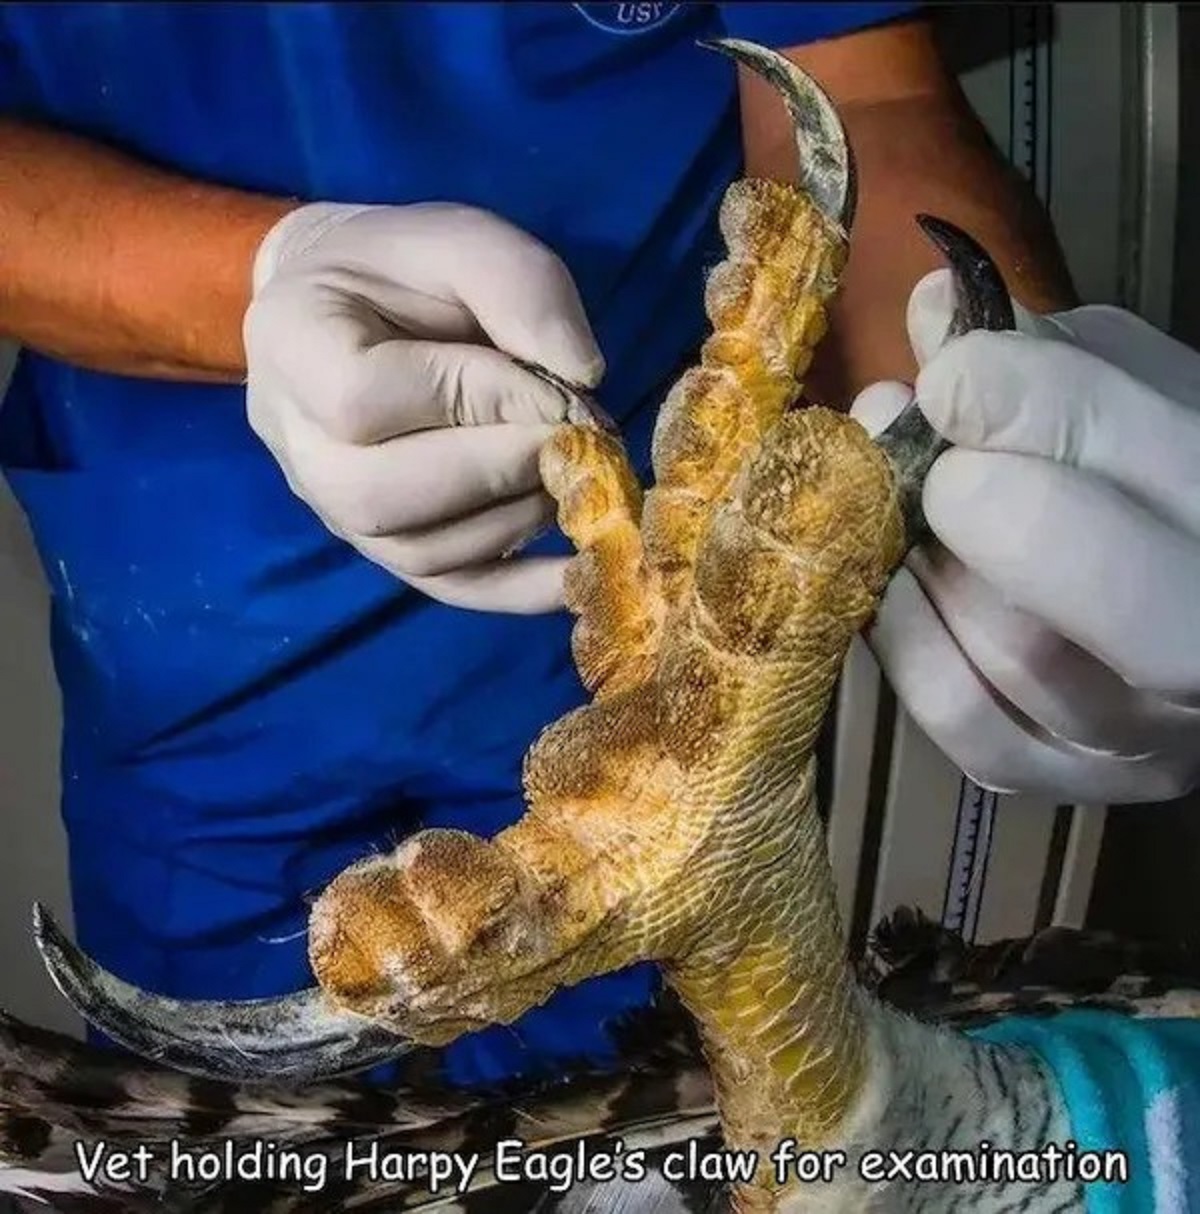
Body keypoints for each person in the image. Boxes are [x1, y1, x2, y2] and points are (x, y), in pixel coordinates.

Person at [0, 1, 1116, 1089]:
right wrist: (260, 276)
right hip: (189, 666)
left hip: (645, 653)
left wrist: (990, 455)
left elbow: (862, 87)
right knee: (221, 1154)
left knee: (657, 1126)